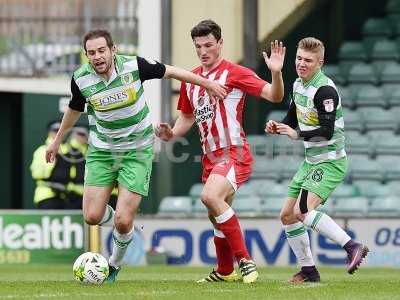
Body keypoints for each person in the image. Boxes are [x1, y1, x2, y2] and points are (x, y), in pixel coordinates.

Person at [45, 28, 227, 283]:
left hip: (137, 150)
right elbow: (75, 109)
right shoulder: (81, 78)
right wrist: (56, 142)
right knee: (92, 216)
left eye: (101, 51)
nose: (96, 57)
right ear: (86, 56)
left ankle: (114, 264)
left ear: (113, 50)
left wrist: (207, 83)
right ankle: (127, 225)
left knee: (121, 219)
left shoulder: (134, 66)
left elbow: (173, 71)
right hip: (102, 151)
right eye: (91, 53)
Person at [155, 19, 285, 283]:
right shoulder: (191, 80)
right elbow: (187, 119)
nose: (204, 51)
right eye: (198, 46)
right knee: (216, 215)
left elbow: (274, 96)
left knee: (210, 196)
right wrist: (170, 133)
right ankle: (225, 271)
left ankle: (245, 260)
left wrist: (276, 72)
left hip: (234, 152)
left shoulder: (235, 73)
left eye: (209, 45)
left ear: (220, 43)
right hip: (210, 158)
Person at [265, 37, 369, 283]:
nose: (301, 64)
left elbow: (328, 130)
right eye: (299, 58)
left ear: (320, 62)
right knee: (287, 215)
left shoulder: (325, 90)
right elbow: (293, 116)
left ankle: (352, 246)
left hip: (330, 161)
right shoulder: (298, 84)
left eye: (308, 61)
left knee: (303, 210)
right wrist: (279, 126)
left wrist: (296, 133)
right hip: (311, 160)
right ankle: (309, 272)